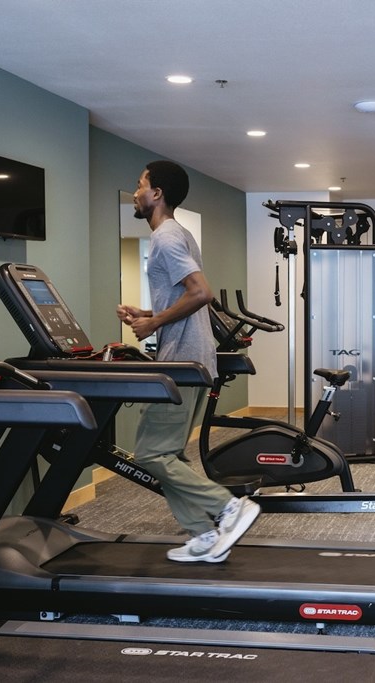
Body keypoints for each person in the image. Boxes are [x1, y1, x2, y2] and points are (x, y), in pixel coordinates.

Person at [117, 160, 260, 563]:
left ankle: (228, 507)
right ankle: (203, 536)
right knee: (171, 455)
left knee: (151, 455)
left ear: (156, 193)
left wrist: (154, 324)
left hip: (181, 362)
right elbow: (185, 299)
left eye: (140, 183)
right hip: (193, 358)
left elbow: (201, 294)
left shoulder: (165, 237)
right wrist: (149, 314)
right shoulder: (179, 234)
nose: (136, 191)